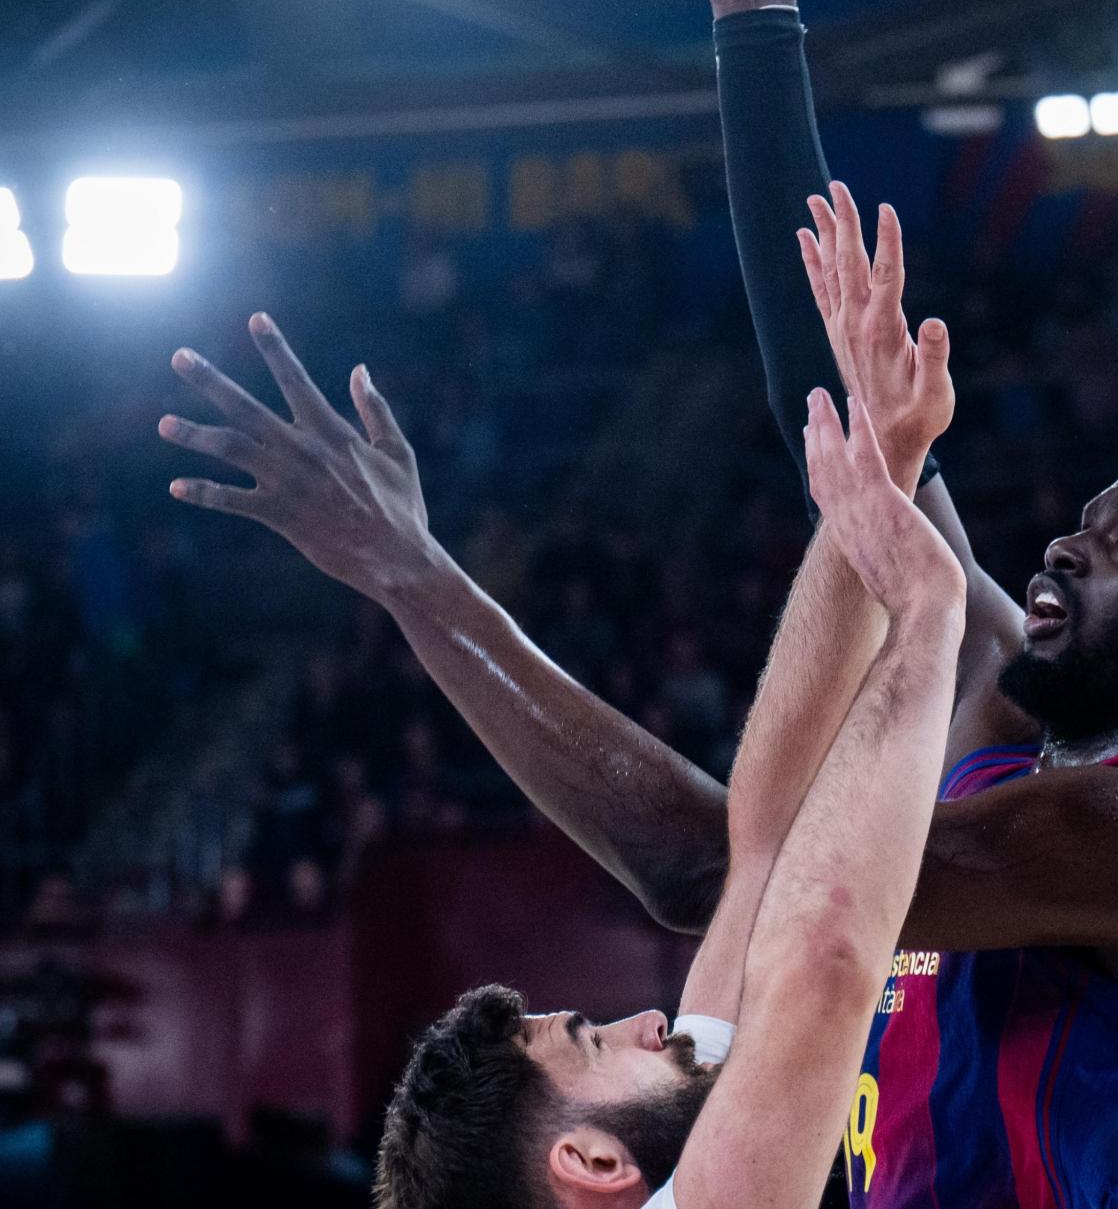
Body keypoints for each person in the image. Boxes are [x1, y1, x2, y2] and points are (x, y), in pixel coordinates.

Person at [160, 0, 1118, 1209]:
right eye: (1081, 521)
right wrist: (753, 10)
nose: (1065, 547)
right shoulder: (1014, 725)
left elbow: (726, 876)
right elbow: (829, 421)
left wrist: (416, 579)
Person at [161, 321, 968, 1209]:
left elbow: (765, 841)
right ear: (588, 1162)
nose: (650, 1020)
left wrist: (885, 457)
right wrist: (926, 615)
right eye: (592, 1038)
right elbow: (822, 952)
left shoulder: (675, 1149)